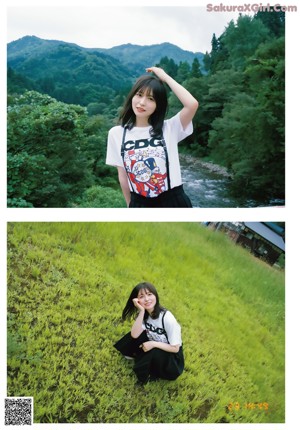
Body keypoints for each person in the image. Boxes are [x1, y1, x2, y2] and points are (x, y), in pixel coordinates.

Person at [106, 67, 198, 207]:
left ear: (158, 105)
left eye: (150, 99)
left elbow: (192, 104)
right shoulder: (116, 133)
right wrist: (130, 205)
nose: (142, 102)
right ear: (132, 96)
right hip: (139, 202)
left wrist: (165, 77)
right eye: (139, 94)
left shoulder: (169, 128)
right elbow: (123, 175)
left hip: (173, 201)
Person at [114, 282, 184, 385]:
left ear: (155, 295)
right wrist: (141, 311)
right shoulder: (145, 313)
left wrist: (153, 344)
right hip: (155, 342)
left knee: (153, 350)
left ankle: (146, 375)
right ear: (137, 300)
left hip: (172, 359)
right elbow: (134, 334)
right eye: (141, 296)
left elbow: (175, 348)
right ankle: (139, 355)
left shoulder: (167, 318)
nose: (147, 299)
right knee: (136, 335)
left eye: (150, 294)